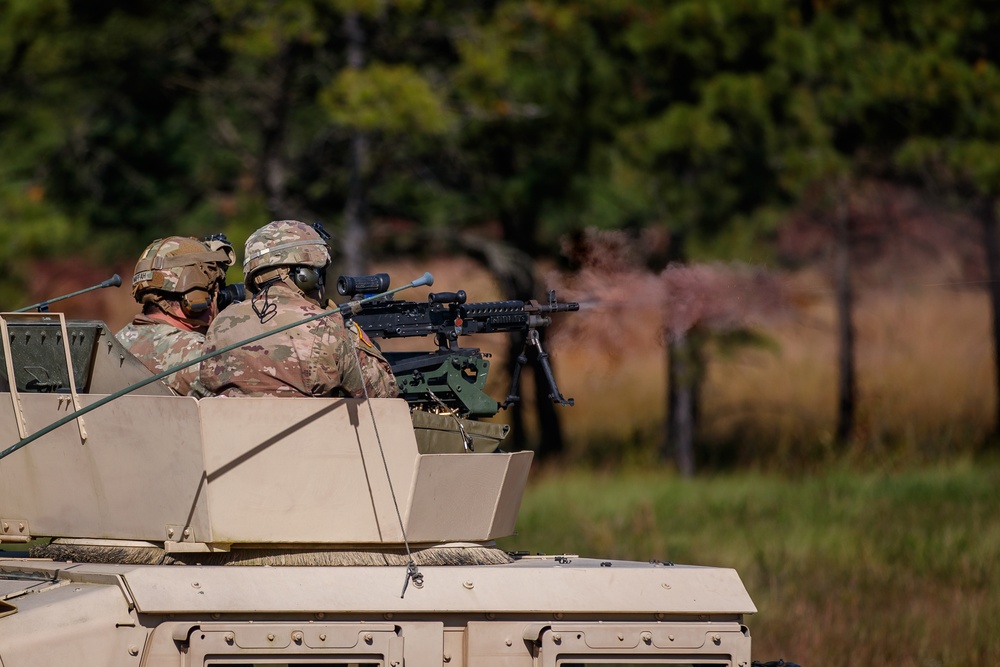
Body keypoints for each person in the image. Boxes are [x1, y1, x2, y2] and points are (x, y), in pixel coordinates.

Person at [200, 220, 398, 398]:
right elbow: (383, 391)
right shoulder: (325, 326)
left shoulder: (221, 324)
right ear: (305, 276)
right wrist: (348, 329)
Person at [116, 236, 234, 395]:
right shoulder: (196, 354)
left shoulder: (116, 342)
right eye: (214, 291)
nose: (217, 299)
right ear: (195, 298)